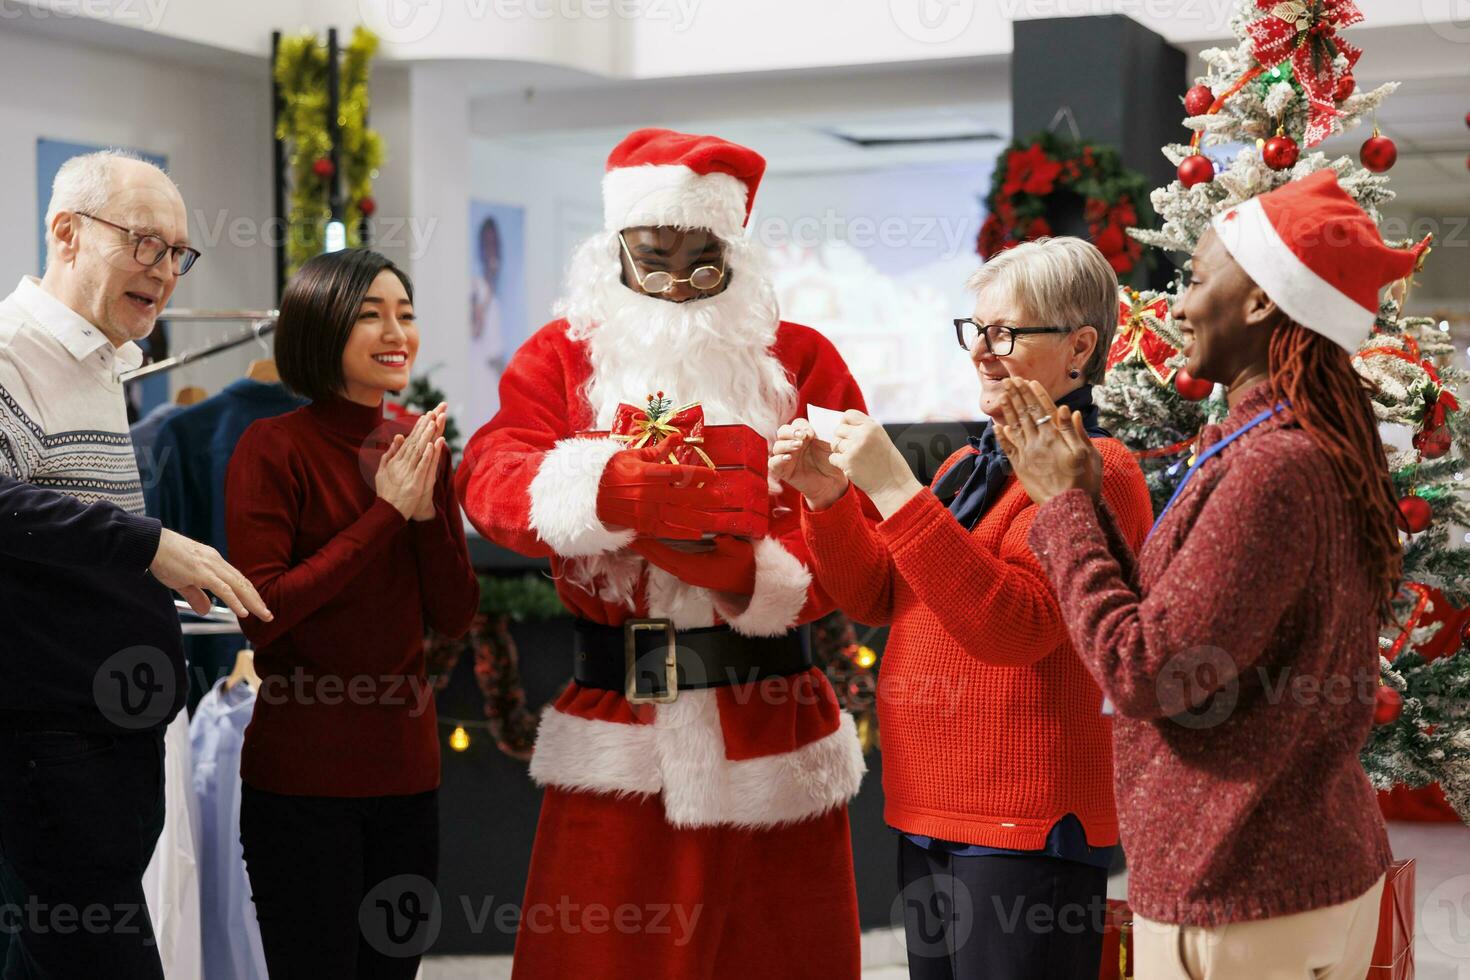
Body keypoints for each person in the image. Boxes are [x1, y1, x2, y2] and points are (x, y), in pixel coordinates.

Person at [456, 128, 869, 979]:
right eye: (654, 254)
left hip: (771, 725)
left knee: (776, 957)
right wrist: (601, 492)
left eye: (702, 256)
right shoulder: (561, 358)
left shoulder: (799, 361)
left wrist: (756, 578)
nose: (677, 279)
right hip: (620, 730)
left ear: (736, 252)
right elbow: (490, 477)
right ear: (614, 250)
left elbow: (857, 528)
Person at [1002, 170, 1420, 978]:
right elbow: (1179, 630)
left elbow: (1147, 671)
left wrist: (1060, 511)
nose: (1176, 304)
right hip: (1281, 879)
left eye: (1194, 278)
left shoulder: (1273, 466)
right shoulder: (1282, 443)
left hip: (1246, 894)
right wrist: (1085, 503)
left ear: (1263, 301)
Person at [776, 237, 1153, 979]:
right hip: (928, 809)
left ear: (1080, 348)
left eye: (1005, 333)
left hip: (1027, 822)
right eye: (974, 330)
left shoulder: (1101, 469)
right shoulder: (964, 466)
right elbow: (877, 597)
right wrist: (826, 498)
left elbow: (1011, 629)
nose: (981, 350)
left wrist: (891, 488)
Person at [0, 149, 271, 978]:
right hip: (49, 744)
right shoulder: (12, 353)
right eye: (144, 243)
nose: (165, 271)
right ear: (67, 235)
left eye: (177, 253)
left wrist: (146, 570)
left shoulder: (98, 361)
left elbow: (59, 534)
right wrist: (148, 544)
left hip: (105, 738)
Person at [225, 248, 480, 978]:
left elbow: (456, 614)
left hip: (408, 777)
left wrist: (427, 507)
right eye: (370, 314)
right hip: (301, 783)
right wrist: (384, 515)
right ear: (321, 328)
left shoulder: (415, 444)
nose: (395, 331)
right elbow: (262, 613)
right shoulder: (272, 447)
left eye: (404, 313)